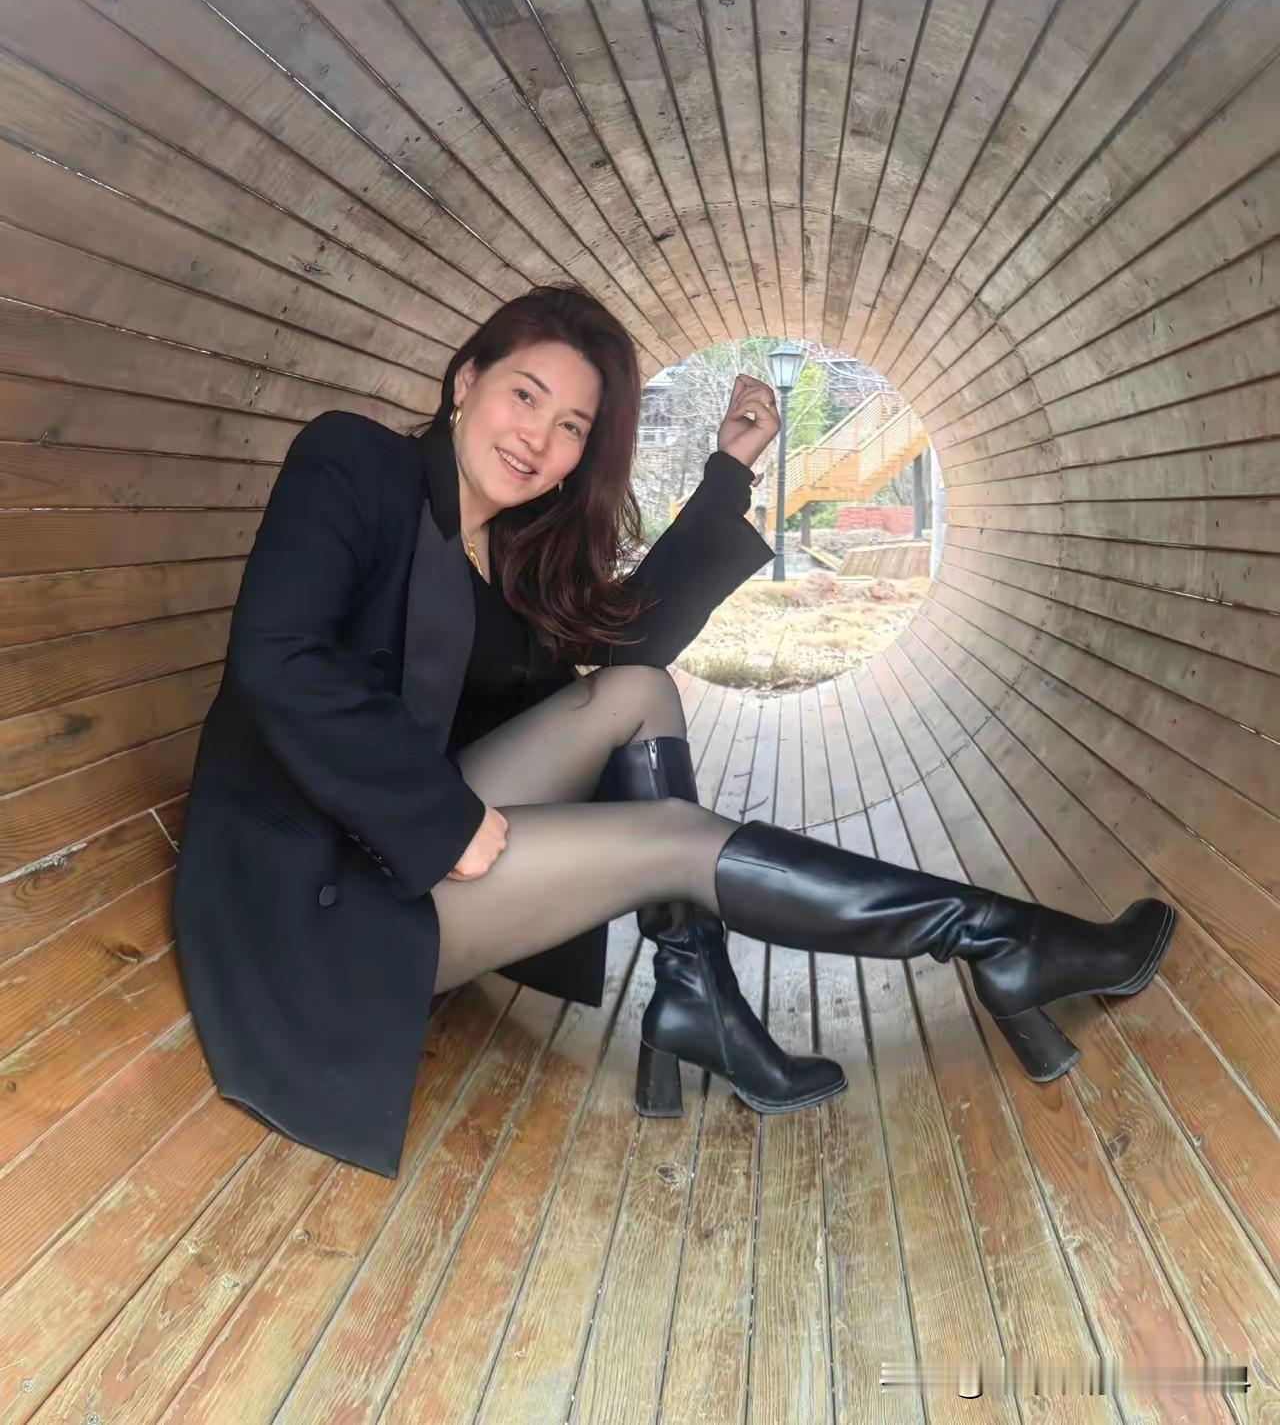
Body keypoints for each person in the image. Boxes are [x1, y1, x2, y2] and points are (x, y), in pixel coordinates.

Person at [174, 285, 1176, 1179]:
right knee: (674, 842)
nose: (537, 438)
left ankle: (696, 995)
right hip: (316, 900)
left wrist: (728, 471)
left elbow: (626, 645)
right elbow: (281, 657)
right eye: (525, 395)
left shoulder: (509, 547)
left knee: (638, 690)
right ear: (466, 380)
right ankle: (997, 938)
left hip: (402, 843)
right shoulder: (356, 463)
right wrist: (438, 819)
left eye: (571, 426)